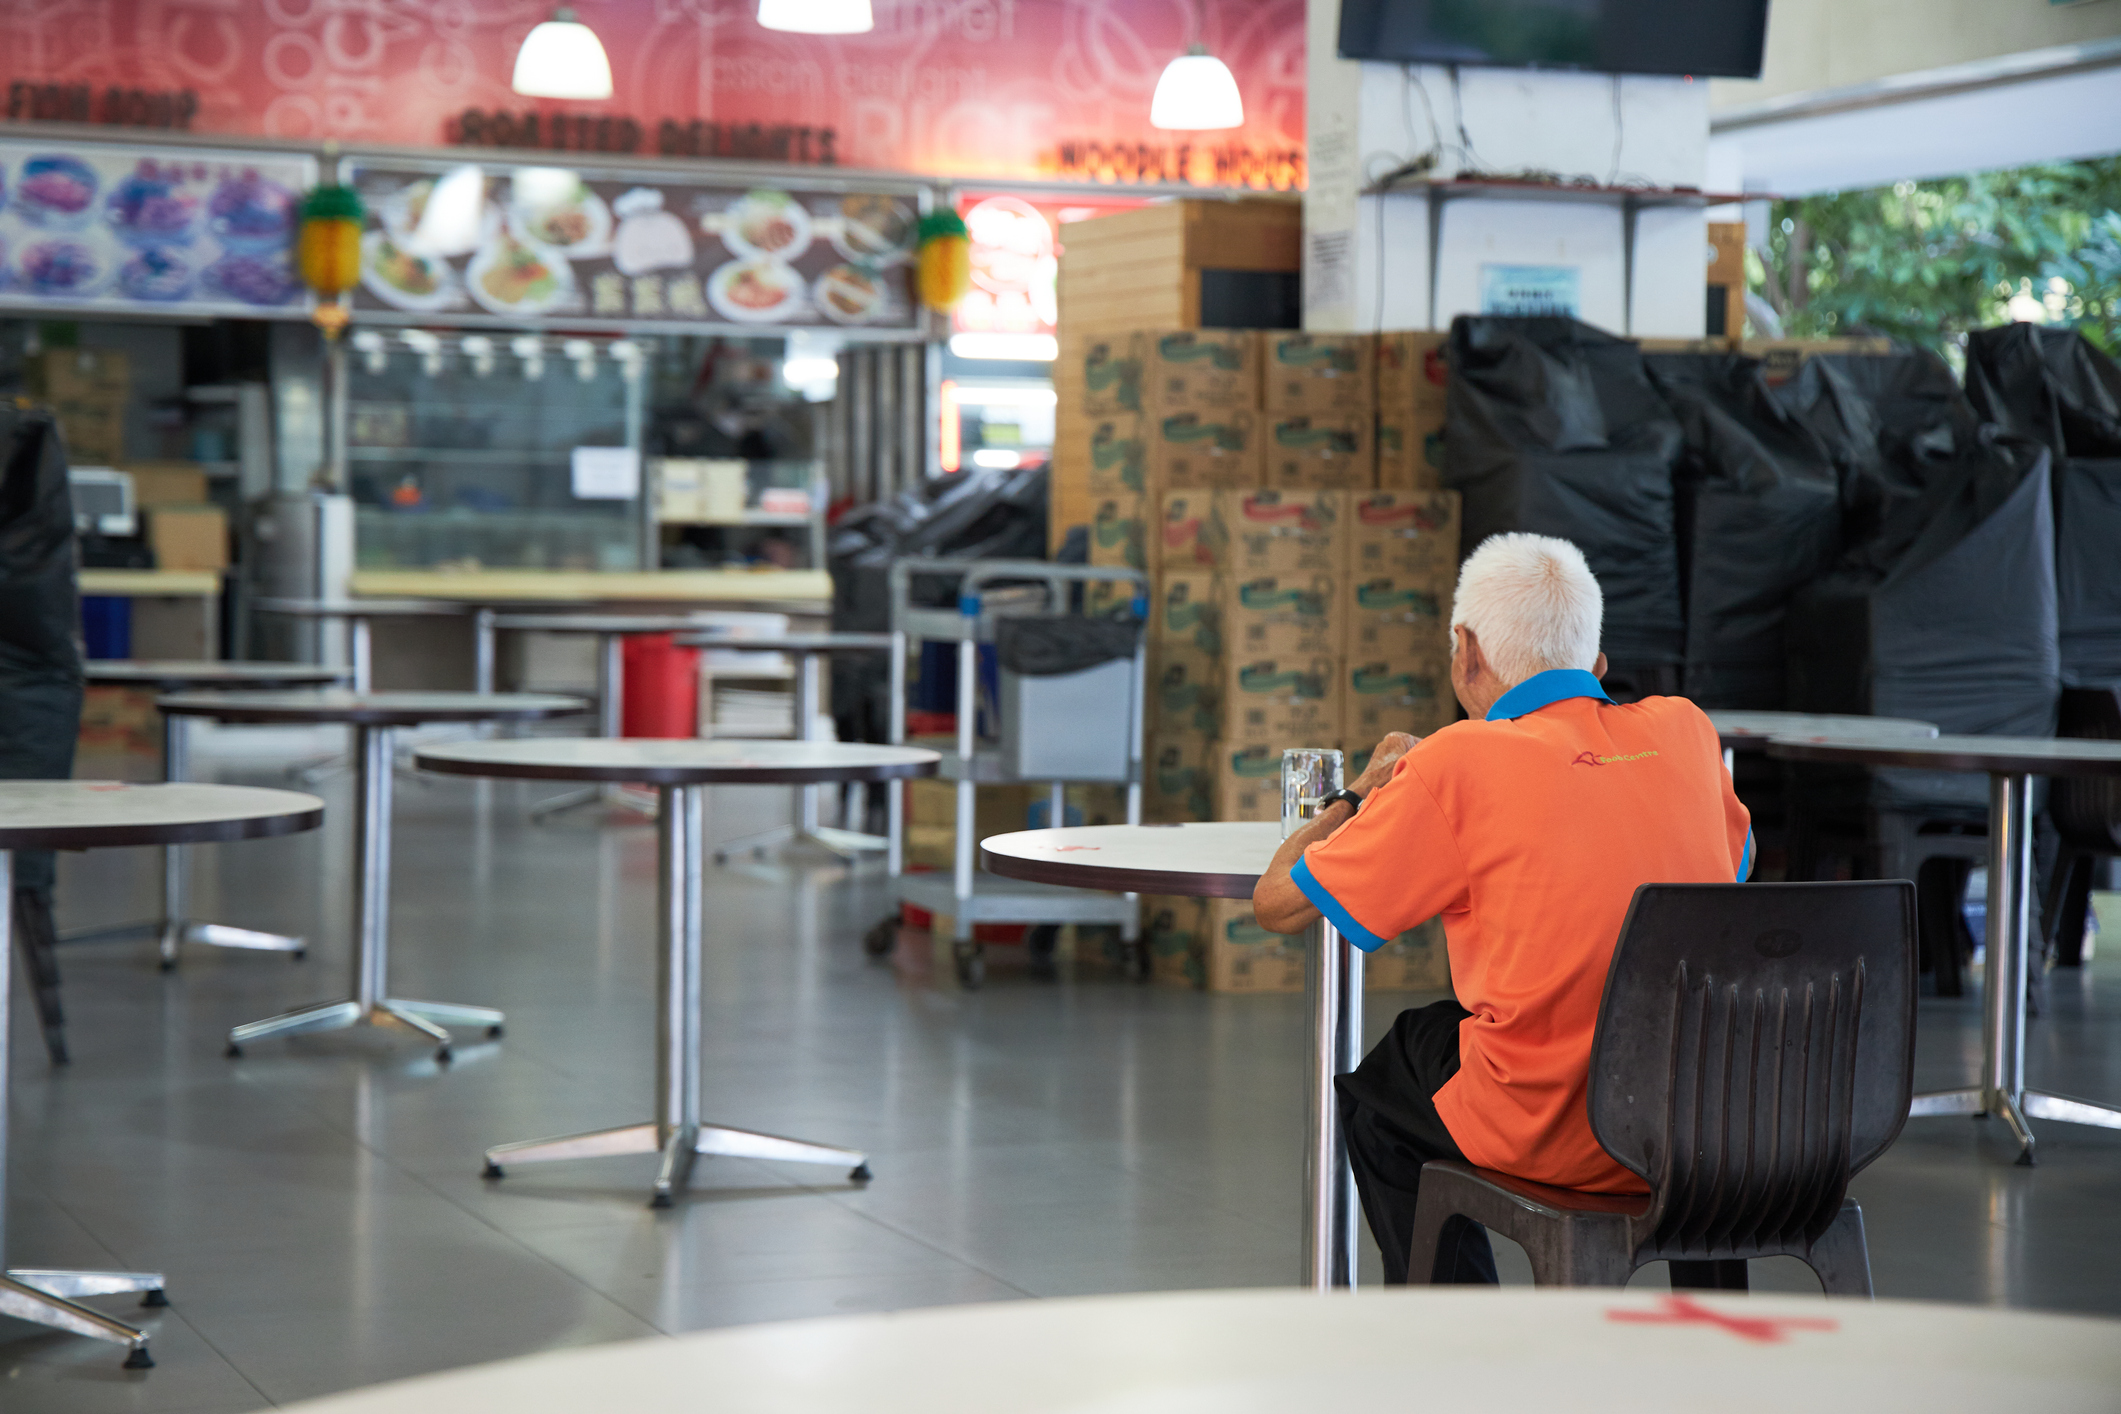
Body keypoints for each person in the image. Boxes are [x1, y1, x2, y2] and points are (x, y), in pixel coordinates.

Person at [1253, 533, 1752, 1284]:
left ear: (1466, 650)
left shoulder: (1455, 761)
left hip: (1559, 1128)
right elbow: (1726, 867)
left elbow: (1279, 904)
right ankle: (1711, 1343)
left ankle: (1464, 1342)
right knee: (1662, 1039)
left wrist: (1360, 790)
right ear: (1596, 665)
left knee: (1387, 1081)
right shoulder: (1687, 731)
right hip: (1714, 1124)